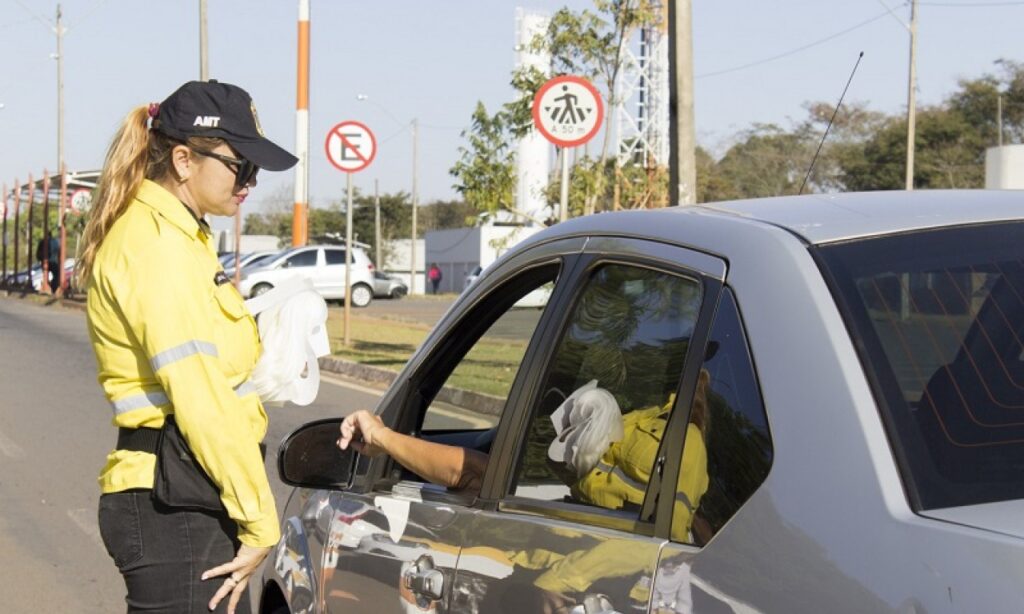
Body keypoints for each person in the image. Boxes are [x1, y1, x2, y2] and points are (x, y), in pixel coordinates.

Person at [79, 80, 298, 614]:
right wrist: (259, 519)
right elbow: (199, 395)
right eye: (240, 165)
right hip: (174, 501)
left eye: (255, 170)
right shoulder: (156, 247)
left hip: (189, 491)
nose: (250, 181)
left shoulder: (180, 237)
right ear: (182, 159)